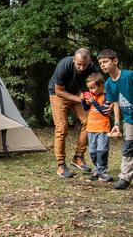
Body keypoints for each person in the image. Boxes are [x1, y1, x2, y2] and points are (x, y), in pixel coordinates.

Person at [48, 48, 100, 178]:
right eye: (78, 64)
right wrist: (79, 98)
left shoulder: (91, 67)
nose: (82, 68)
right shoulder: (64, 65)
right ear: (73, 60)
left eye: (84, 65)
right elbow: (59, 91)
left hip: (75, 92)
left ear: (89, 61)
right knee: (62, 128)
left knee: (89, 122)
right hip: (58, 94)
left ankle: (78, 157)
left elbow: (97, 84)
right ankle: (60, 165)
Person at [98, 49, 132, 190]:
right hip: (129, 120)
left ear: (115, 61)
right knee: (128, 147)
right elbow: (116, 104)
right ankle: (125, 177)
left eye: (105, 61)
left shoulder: (129, 76)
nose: (103, 65)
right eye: (100, 63)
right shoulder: (108, 84)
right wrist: (117, 124)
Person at [80, 73, 113, 182]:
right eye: (89, 88)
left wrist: (94, 101)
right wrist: (83, 100)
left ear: (101, 86)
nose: (91, 91)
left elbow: (104, 112)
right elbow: (85, 108)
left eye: (93, 88)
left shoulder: (106, 96)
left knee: (102, 151)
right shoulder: (91, 96)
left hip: (102, 128)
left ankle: (102, 172)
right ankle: (97, 170)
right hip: (91, 128)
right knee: (93, 152)